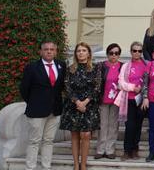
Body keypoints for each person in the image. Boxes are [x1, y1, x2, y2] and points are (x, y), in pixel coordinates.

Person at [20, 41, 66, 170]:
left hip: (55, 110)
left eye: (52, 49)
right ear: (40, 51)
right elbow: (24, 89)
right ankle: (30, 167)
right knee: (34, 141)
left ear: (56, 51)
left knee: (48, 141)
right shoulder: (32, 67)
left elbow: (62, 87)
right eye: (46, 49)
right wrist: (34, 102)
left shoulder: (61, 65)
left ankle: (46, 166)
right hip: (36, 111)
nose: (49, 51)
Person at [61, 43, 100, 170]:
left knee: (86, 134)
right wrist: (77, 102)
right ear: (75, 53)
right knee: (75, 134)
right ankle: (76, 164)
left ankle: (83, 164)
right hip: (73, 105)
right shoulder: (70, 69)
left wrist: (85, 102)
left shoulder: (95, 68)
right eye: (78, 51)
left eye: (84, 50)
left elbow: (97, 87)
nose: (81, 53)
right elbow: (66, 87)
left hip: (90, 106)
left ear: (89, 53)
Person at [118, 41, 148, 160]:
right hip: (129, 99)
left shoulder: (147, 64)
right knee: (129, 126)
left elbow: (149, 81)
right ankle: (127, 150)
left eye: (139, 51)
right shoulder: (125, 66)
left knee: (138, 125)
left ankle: (135, 149)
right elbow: (120, 83)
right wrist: (132, 88)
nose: (137, 53)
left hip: (141, 100)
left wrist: (142, 92)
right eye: (134, 50)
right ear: (131, 52)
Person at [96, 43, 123, 160]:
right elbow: (97, 83)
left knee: (113, 125)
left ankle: (110, 149)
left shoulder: (123, 66)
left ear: (119, 55)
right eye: (111, 53)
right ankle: (100, 150)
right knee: (103, 125)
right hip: (103, 99)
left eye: (116, 53)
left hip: (117, 100)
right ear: (107, 54)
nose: (114, 55)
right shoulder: (101, 66)